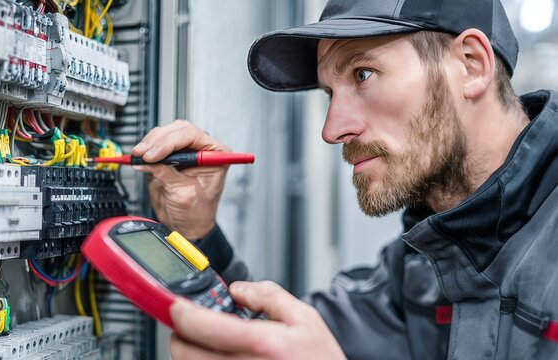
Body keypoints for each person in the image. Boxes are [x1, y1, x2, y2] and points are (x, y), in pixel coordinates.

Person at [131, 0, 558, 358]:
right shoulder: (419, 269)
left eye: (362, 74)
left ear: (471, 65)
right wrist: (199, 230)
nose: (332, 129)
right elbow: (282, 340)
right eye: (330, 94)